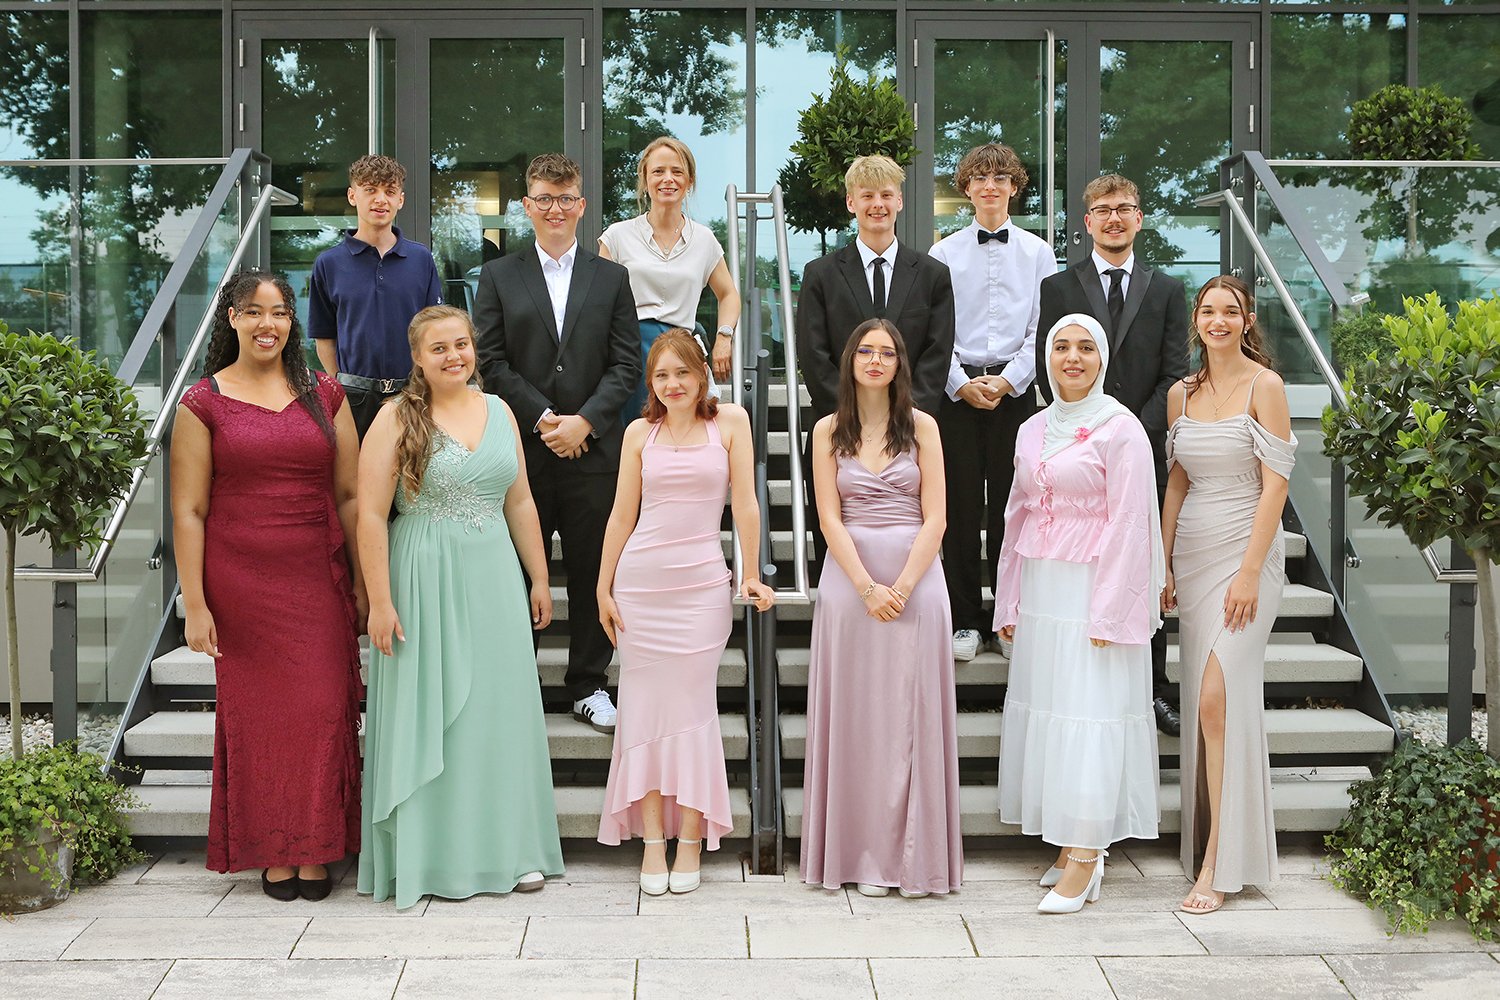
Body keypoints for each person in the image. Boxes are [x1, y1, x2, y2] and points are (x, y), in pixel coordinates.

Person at [356, 305, 563, 908]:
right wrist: (379, 602)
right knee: (435, 709)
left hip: (494, 574)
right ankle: (434, 856)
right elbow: (370, 515)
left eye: (462, 345)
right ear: (417, 358)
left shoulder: (500, 409)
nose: (454, 356)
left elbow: (520, 501)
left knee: (498, 710)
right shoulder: (396, 417)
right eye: (439, 348)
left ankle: (509, 850)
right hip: (423, 575)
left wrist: (539, 577)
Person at [170, 270, 363, 901]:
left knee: (323, 708)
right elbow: (189, 510)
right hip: (241, 584)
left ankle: (318, 845)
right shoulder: (202, 402)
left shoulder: (325, 393)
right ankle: (276, 851)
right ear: (231, 318)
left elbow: (350, 494)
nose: (267, 324)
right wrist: (195, 604)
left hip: (317, 575)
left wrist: (365, 584)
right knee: (260, 720)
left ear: (291, 321)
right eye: (253, 311)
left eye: (278, 312)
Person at [994, 313, 1164, 914]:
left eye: (1086, 348)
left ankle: (1089, 853)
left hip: (1094, 586)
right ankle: (1069, 843)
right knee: (1054, 705)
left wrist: (1112, 611)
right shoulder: (1032, 427)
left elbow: (1131, 521)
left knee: (1090, 710)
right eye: (1062, 346)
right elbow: (1016, 512)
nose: (1072, 357)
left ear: (1103, 358)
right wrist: (1009, 596)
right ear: (1046, 356)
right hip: (1044, 585)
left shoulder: (1122, 428)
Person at [595, 329, 774, 895]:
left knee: (694, 711)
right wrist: (603, 587)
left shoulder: (731, 423)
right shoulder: (637, 433)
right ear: (651, 383)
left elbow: (745, 504)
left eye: (682, 373)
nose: (672, 384)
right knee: (643, 713)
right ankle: (652, 841)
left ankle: (691, 839)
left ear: (701, 375)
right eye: (661, 376)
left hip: (701, 588)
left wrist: (751, 571)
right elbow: (621, 515)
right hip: (640, 587)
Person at [473, 152, 640, 734]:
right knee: (519, 570)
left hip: (595, 453)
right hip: (524, 453)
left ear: (582, 205)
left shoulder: (612, 278)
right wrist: (545, 418)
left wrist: (584, 422)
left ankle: (589, 684)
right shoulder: (498, 275)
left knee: (596, 568)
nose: (555, 209)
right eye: (544, 198)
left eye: (565, 198)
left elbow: (626, 363)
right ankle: (515, 684)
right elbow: (489, 361)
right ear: (527, 205)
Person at [800, 318, 963, 899]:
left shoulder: (924, 427)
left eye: (887, 352)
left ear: (899, 364)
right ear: (850, 360)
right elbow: (828, 518)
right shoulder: (826, 430)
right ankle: (859, 853)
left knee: (910, 718)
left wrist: (903, 585)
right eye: (865, 351)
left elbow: (937, 517)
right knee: (857, 720)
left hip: (917, 581)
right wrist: (868, 588)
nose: (875, 360)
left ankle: (910, 858)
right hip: (850, 583)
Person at [1035, 174, 1188, 737]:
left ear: (1139, 218)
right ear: (1087, 222)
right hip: (1077, 453)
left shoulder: (1167, 290)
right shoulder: (1058, 287)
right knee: (1085, 567)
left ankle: (1153, 690)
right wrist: (1088, 433)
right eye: (1103, 209)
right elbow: (1051, 366)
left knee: (1142, 562)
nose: (1114, 218)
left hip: (1140, 447)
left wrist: (1126, 431)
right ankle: (1082, 683)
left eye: (1124, 208)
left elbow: (1175, 372)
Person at [1162, 275, 1295, 915]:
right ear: (1197, 319)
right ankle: (1207, 841)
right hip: (1193, 554)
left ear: (1246, 321)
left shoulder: (1265, 386)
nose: (1218, 321)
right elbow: (1177, 483)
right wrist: (1161, 562)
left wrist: (1249, 570)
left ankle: (1219, 861)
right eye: (1208, 310)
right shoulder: (1180, 393)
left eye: (1230, 312)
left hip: (1248, 553)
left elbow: (1276, 486)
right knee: (1204, 703)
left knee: (1216, 695)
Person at [929, 142, 1057, 663]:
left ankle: (1008, 618)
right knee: (959, 510)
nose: (989, 186)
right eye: (980, 178)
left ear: (1013, 187)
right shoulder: (942, 254)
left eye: (1000, 178)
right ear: (966, 188)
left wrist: (1008, 381)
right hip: (956, 395)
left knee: (1014, 509)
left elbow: (1042, 328)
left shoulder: (1039, 252)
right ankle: (964, 619)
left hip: (1015, 397)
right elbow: (935, 330)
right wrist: (959, 383)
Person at [795, 154, 955, 562]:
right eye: (867, 196)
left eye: (886, 195)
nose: (877, 204)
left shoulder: (932, 274)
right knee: (836, 537)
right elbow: (813, 353)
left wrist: (905, 416)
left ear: (900, 200)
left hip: (909, 431)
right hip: (840, 429)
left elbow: (938, 351)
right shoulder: (820, 274)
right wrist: (851, 416)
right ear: (851, 202)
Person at [598, 137, 740, 422]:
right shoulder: (617, 236)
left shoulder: (704, 239)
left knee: (682, 432)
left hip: (681, 353)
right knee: (635, 431)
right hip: (629, 350)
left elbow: (729, 294)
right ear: (645, 178)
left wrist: (724, 336)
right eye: (658, 171)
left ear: (689, 181)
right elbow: (597, 304)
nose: (668, 179)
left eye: (677, 171)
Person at [309, 154, 445, 439]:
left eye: (390, 191)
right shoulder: (329, 263)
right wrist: (340, 387)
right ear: (352, 196)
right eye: (370, 189)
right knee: (355, 468)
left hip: (412, 393)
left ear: (401, 200)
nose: (380, 199)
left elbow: (434, 330)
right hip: (353, 396)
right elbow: (324, 337)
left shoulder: (421, 259)